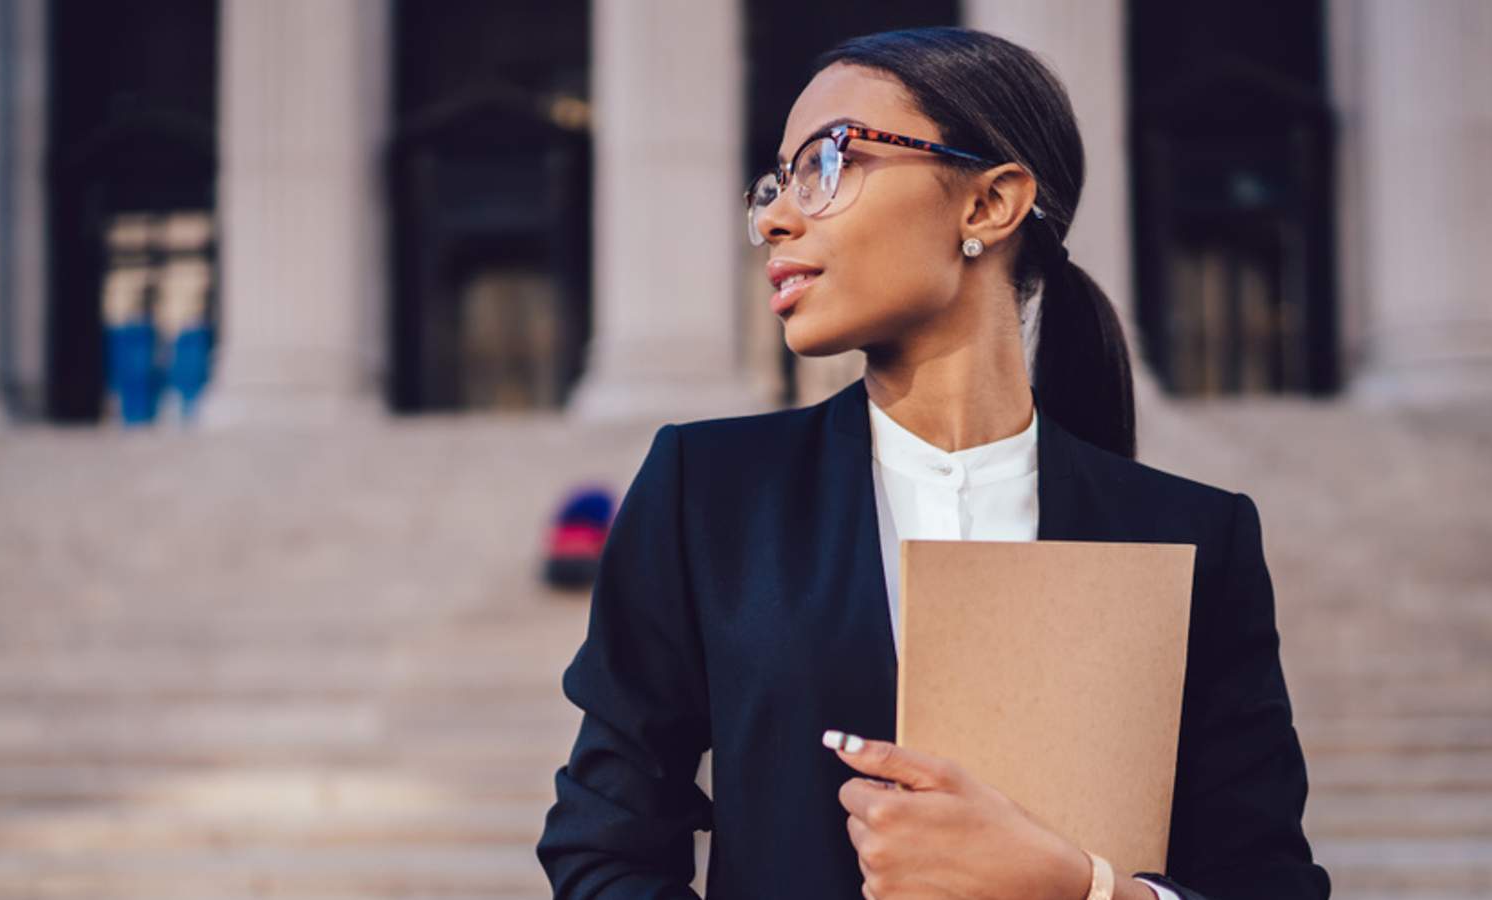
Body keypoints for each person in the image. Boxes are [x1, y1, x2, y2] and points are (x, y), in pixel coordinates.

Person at [537, 26, 1330, 900]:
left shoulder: (1191, 536)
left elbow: (1269, 882)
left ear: (989, 205)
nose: (772, 216)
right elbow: (602, 850)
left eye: (828, 160)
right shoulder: (708, 493)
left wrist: (1084, 890)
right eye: (776, 180)